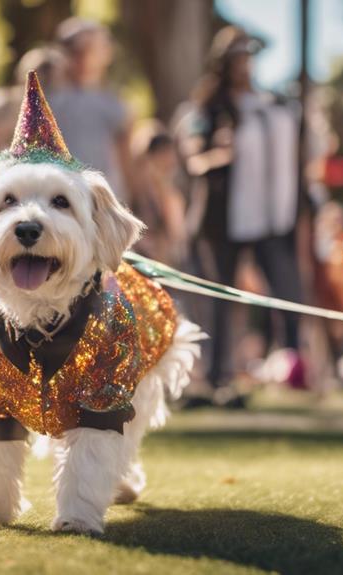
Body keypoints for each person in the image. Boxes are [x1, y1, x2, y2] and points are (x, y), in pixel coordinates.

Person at [175, 27, 307, 405]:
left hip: (273, 218)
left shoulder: (271, 105)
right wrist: (218, 154)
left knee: (287, 291)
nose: (244, 65)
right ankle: (218, 377)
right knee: (219, 298)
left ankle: (293, 370)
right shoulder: (208, 108)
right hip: (223, 220)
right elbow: (195, 156)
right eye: (237, 57)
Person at [47, 18, 133, 202]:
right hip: (60, 197)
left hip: (104, 198)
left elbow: (125, 157)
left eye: (90, 50)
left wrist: (132, 199)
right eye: (76, 51)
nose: (84, 58)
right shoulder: (49, 102)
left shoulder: (114, 103)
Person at [128, 120, 187, 267]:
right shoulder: (137, 189)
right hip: (142, 257)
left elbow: (176, 232)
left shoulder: (170, 189)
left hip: (162, 260)